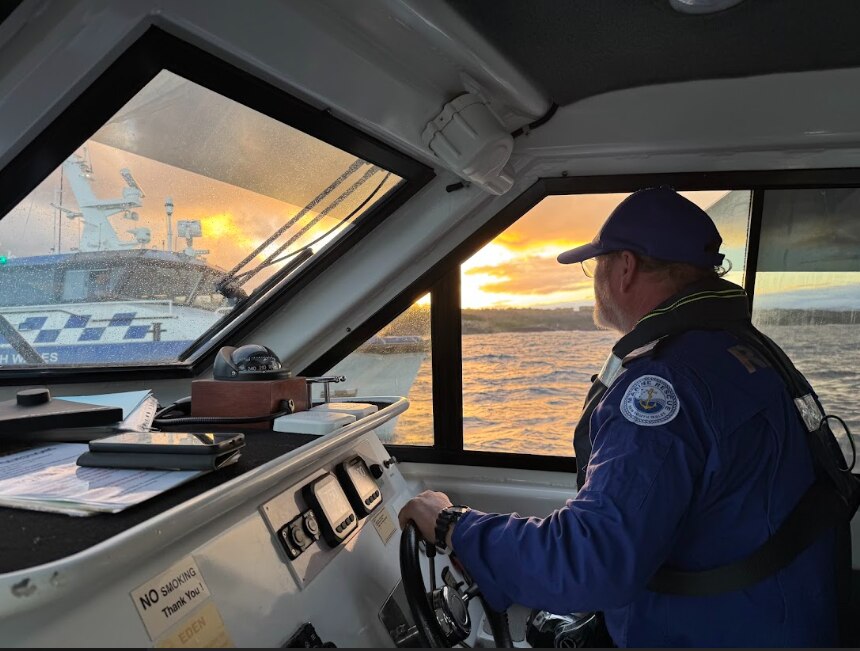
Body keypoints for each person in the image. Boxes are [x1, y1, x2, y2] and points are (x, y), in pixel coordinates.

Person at [398, 187, 840, 647]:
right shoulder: (736, 352)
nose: (593, 279)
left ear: (625, 267)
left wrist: (453, 524)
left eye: (595, 264)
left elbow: (590, 561)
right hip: (775, 620)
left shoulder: (666, 386)